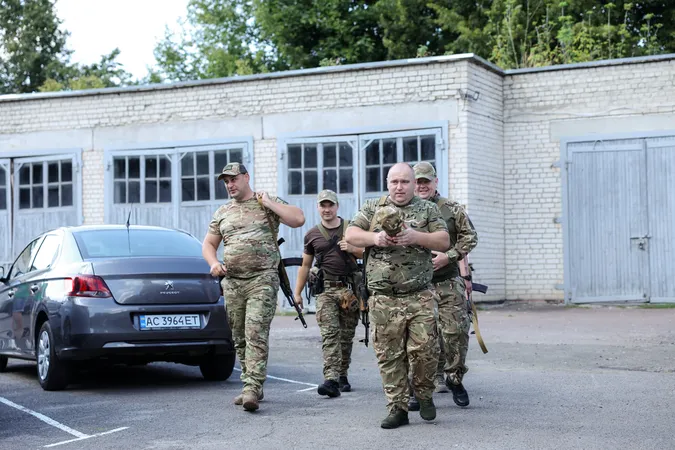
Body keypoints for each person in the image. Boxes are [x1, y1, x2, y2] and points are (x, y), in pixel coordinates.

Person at [345, 162, 450, 429]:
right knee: (389, 355)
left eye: (405, 182)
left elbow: (443, 241)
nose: (399, 187)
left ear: (414, 184)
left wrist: (416, 236)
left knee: (425, 351)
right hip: (383, 298)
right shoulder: (372, 207)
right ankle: (397, 408)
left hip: (419, 295)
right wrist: (375, 238)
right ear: (387, 183)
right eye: (395, 182)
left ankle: (424, 395)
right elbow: (351, 234)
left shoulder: (427, 208)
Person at [202, 162, 305, 412]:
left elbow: (298, 219)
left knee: (255, 332)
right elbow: (208, 244)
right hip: (234, 282)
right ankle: (252, 384)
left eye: (234, 179)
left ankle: (251, 388)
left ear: (246, 177)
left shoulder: (266, 201)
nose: (230, 185)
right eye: (226, 181)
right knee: (239, 337)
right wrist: (214, 263)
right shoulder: (223, 212)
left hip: (262, 280)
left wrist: (269, 204)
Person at [409, 161, 478, 410]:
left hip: (448, 282)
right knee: (421, 340)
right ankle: (418, 388)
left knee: (455, 334)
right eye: (418, 181)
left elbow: (470, 237)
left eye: (426, 181)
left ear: (435, 182)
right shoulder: (403, 210)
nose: (422, 186)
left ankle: (454, 378)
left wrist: (449, 256)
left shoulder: (451, 208)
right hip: (416, 286)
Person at [293, 189, 364, 397]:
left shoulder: (351, 228)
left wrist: (351, 247)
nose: (327, 209)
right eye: (323, 206)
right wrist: (297, 293)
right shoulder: (312, 235)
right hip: (326, 290)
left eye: (330, 205)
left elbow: (368, 253)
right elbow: (305, 265)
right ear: (318, 207)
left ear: (337, 207)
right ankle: (331, 379)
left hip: (349, 290)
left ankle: (342, 374)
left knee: (346, 335)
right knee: (330, 334)